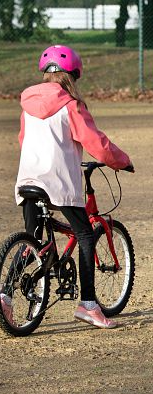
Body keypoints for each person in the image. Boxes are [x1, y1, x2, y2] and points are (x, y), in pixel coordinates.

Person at [2, 45, 134, 329]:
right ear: (73, 75)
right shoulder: (71, 105)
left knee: (33, 239)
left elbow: (24, 140)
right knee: (85, 234)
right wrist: (121, 161)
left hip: (28, 179)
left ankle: (5, 295)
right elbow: (97, 144)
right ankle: (88, 305)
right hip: (57, 180)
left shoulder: (28, 105)